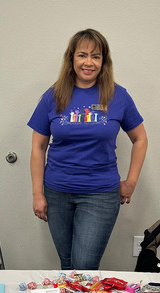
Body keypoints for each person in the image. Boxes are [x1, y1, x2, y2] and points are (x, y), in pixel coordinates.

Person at [28, 28, 148, 270]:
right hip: (57, 192)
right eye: (83, 55)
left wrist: (131, 181)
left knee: (84, 265)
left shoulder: (118, 95)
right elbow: (38, 147)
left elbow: (140, 139)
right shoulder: (53, 95)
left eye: (96, 56)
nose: (89, 63)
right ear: (72, 58)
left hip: (100, 194)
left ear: (104, 61)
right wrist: (37, 194)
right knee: (67, 263)